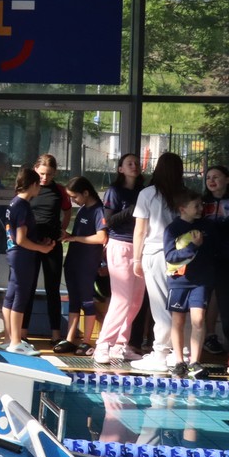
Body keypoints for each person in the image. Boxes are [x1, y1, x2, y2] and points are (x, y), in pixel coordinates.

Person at [131, 152, 187, 374]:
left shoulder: (148, 194)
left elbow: (140, 230)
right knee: (179, 304)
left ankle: (161, 354)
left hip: (155, 254)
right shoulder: (185, 195)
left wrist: (136, 258)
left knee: (160, 305)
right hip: (182, 255)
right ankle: (180, 353)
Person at [96, 152, 145, 365]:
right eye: (129, 163)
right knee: (122, 299)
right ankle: (103, 344)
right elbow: (109, 221)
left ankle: (120, 345)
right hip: (121, 246)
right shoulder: (114, 191)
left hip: (140, 248)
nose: (134, 166)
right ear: (120, 169)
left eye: (136, 163)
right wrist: (134, 210)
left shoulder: (143, 191)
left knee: (135, 300)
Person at [2, 167, 55, 356]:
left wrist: (39, 242)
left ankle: (8, 339)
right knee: (21, 297)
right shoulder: (23, 206)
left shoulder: (13, 202)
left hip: (14, 254)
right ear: (33, 185)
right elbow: (21, 239)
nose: (39, 188)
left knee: (11, 295)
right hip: (22, 256)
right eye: (38, 185)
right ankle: (16, 341)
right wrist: (42, 248)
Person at [164, 188, 216, 375]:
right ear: (183, 208)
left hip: (200, 280)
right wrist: (193, 246)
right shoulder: (172, 229)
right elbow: (170, 256)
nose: (201, 208)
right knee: (178, 320)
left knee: (199, 319)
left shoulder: (206, 226)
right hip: (179, 280)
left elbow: (215, 249)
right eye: (196, 206)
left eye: (201, 205)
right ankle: (179, 361)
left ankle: (195, 361)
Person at [21, 154, 70, 346]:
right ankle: (23, 332)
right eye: (41, 173)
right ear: (35, 169)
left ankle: (56, 333)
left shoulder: (59, 190)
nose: (44, 178)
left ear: (54, 173)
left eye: (49, 174)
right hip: (32, 243)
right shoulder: (30, 187)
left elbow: (67, 210)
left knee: (52, 288)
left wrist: (62, 230)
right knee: (29, 286)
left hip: (52, 244)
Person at [59, 176, 108, 355]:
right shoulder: (83, 209)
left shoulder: (98, 211)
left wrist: (74, 238)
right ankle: (70, 338)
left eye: (75, 197)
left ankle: (87, 341)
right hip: (73, 260)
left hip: (87, 263)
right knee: (73, 300)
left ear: (86, 193)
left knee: (87, 301)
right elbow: (81, 235)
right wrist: (69, 236)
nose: (73, 201)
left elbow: (101, 237)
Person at [201, 165, 229, 369]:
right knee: (205, 300)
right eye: (208, 177)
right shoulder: (201, 203)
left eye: (216, 177)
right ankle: (209, 337)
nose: (211, 180)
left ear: (227, 179)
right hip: (205, 258)